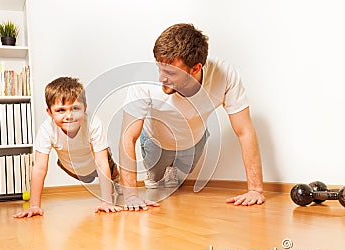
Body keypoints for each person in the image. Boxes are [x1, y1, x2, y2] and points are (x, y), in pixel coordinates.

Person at [119, 23, 265, 211]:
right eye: (159, 68)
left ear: (195, 69)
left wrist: (256, 189)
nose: (161, 78)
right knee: (156, 181)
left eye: (170, 72)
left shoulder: (224, 74)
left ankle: (173, 172)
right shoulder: (143, 81)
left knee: (176, 184)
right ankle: (154, 174)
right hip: (155, 141)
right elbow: (127, 136)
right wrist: (131, 196)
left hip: (193, 141)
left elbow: (244, 131)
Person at [14, 77, 122, 218]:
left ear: (85, 108)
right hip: (72, 167)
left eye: (75, 108)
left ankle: (117, 181)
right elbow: (39, 167)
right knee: (86, 178)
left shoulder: (93, 123)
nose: (69, 116)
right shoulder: (47, 129)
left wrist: (107, 201)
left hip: (96, 161)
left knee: (108, 165)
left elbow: (101, 163)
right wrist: (34, 205)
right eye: (60, 110)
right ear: (49, 113)